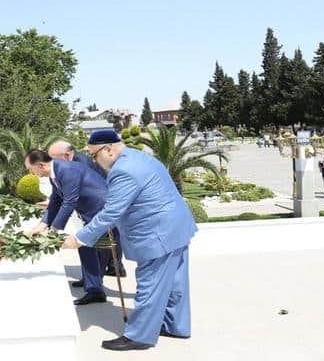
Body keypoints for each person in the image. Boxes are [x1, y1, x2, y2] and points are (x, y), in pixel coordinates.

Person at [62, 130, 197, 351]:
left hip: (157, 234)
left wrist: (79, 238)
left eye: (94, 155)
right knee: (175, 283)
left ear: (108, 149)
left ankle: (139, 336)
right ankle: (175, 326)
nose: (93, 161)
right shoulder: (138, 156)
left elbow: (111, 212)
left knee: (150, 285)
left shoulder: (123, 170)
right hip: (176, 227)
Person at [25, 149, 107, 306]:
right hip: (92, 211)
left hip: (101, 210)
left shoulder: (66, 170)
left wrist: (53, 231)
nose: (30, 173)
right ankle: (93, 286)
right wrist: (42, 225)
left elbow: (69, 202)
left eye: (30, 169)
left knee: (84, 243)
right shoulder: (55, 172)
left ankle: (95, 289)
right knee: (85, 245)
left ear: (41, 165)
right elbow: (55, 201)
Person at [47, 140, 126, 279]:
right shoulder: (70, 164)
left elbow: (75, 193)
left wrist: (55, 227)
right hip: (100, 204)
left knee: (101, 241)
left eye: (53, 159)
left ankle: (100, 277)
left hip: (102, 204)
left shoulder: (79, 164)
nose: (51, 163)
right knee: (106, 238)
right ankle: (112, 268)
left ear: (67, 155)